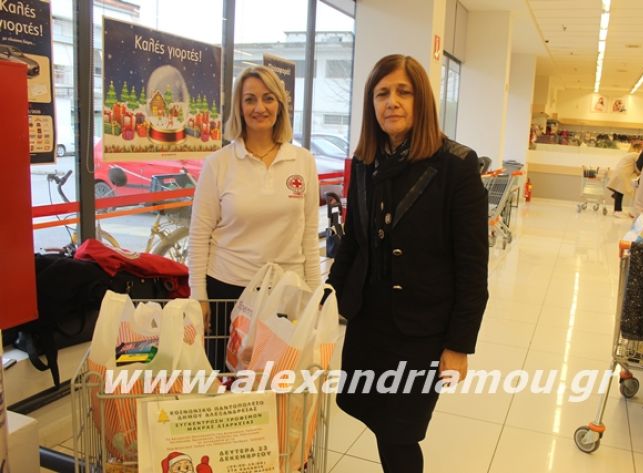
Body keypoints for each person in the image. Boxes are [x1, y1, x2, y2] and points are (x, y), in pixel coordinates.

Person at [326, 54, 489, 473]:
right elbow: (353, 242)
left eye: (404, 92)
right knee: (379, 423)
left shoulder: (456, 165)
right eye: (382, 93)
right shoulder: (365, 162)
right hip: (369, 323)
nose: (392, 102)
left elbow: (473, 266)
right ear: (371, 103)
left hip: (422, 331)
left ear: (422, 101)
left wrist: (459, 346)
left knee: (401, 432)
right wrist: (325, 302)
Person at [188, 65, 320, 370]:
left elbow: (309, 235)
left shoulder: (303, 161)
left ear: (280, 105)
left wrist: (314, 295)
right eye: (250, 99)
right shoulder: (219, 164)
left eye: (268, 98)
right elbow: (199, 235)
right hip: (228, 290)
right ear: (239, 107)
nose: (259, 107)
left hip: (286, 292)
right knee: (227, 382)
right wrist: (199, 295)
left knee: (277, 380)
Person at [607, 142, 643, 217]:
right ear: (639, 148)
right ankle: (617, 211)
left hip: (619, 173)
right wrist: (640, 172)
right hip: (623, 174)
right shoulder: (636, 155)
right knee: (620, 192)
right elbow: (637, 167)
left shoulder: (629, 154)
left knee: (619, 191)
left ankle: (617, 209)